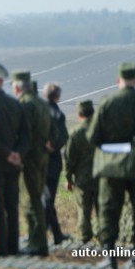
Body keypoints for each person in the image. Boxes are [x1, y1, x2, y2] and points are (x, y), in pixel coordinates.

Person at [86, 63, 135, 269]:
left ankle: (110, 257)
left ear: (118, 80)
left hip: (111, 164)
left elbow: (92, 137)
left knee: (108, 210)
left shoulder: (107, 102)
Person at [0, 62, 29, 256]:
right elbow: (26, 134)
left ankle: (0, 246)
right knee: (12, 205)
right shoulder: (14, 103)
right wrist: (18, 153)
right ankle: (13, 246)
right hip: (14, 163)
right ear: (1, 81)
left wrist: (6, 153)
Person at [12, 70, 51, 257]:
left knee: (30, 201)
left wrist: (18, 153)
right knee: (37, 198)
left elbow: (24, 133)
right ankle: (38, 239)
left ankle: (37, 243)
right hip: (42, 156)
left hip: (30, 158)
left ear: (17, 87)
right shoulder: (42, 103)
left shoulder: (25, 104)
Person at [64, 100, 98, 244]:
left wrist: (68, 178)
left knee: (84, 209)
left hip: (82, 177)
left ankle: (85, 237)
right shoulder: (101, 130)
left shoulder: (75, 133)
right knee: (102, 208)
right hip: (100, 175)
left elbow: (69, 158)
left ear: (79, 114)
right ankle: (105, 237)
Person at [43, 82, 69, 245]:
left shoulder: (38, 109)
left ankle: (56, 233)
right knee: (48, 199)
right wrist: (53, 146)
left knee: (44, 199)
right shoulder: (58, 114)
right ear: (57, 97)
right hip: (52, 162)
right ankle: (48, 233)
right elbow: (63, 137)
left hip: (37, 160)